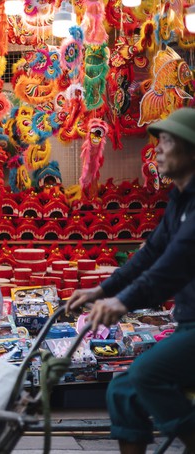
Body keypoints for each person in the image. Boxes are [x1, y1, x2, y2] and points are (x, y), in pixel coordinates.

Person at [66, 107, 195, 454]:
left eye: (168, 142)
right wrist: (102, 289)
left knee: (146, 375)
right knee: (121, 390)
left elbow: (173, 264)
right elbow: (151, 253)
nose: (160, 150)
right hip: (187, 324)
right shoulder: (179, 200)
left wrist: (122, 302)